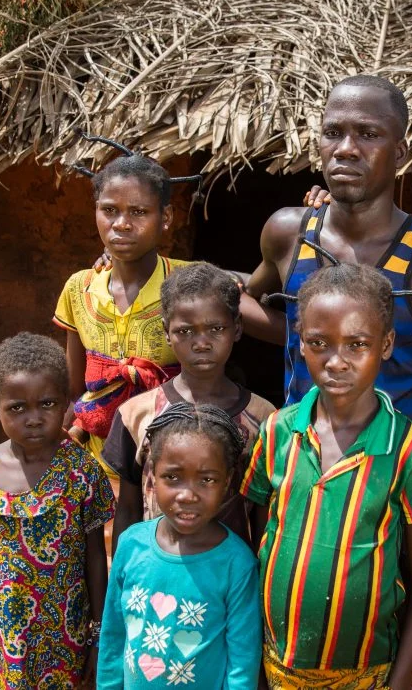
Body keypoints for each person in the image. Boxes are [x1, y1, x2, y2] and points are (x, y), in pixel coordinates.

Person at [242, 75, 412, 614]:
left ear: (402, 151)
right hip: (303, 482)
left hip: (396, 499)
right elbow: (238, 299)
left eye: (368, 134)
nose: (346, 148)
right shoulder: (287, 234)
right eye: (333, 132)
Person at [242, 263, 412, 690]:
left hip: (367, 676)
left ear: (386, 344)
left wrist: (399, 684)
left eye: (357, 344)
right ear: (301, 345)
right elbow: (264, 543)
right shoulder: (278, 431)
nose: (336, 361)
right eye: (319, 343)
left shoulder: (409, 449)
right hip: (276, 669)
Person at [0, 332, 114, 689]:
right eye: (17, 408)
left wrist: (98, 639)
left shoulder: (82, 471)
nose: (33, 418)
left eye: (48, 404)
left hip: (62, 641)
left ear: (67, 404)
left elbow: (96, 559)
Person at [102, 262, 275, 547]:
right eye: (185, 331)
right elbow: (129, 509)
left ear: (238, 329)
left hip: (229, 582)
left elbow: (261, 515)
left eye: (216, 328)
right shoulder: (137, 414)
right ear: (166, 331)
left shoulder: (265, 418)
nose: (201, 343)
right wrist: (124, 573)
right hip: (153, 578)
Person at [98, 402, 262, 689]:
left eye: (207, 480)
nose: (187, 495)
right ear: (152, 478)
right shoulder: (131, 545)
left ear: (226, 485)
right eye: (172, 477)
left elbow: (242, 662)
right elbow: (114, 636)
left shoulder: (237, 563)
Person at [53, 154, 191, 472]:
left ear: (166, 216)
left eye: (139, 212)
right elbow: (76, 389)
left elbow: (249, 291)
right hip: (96, 466)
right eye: (109, 211)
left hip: (171, 463)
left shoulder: (189, 283)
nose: (122, 224)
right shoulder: (80, 288)